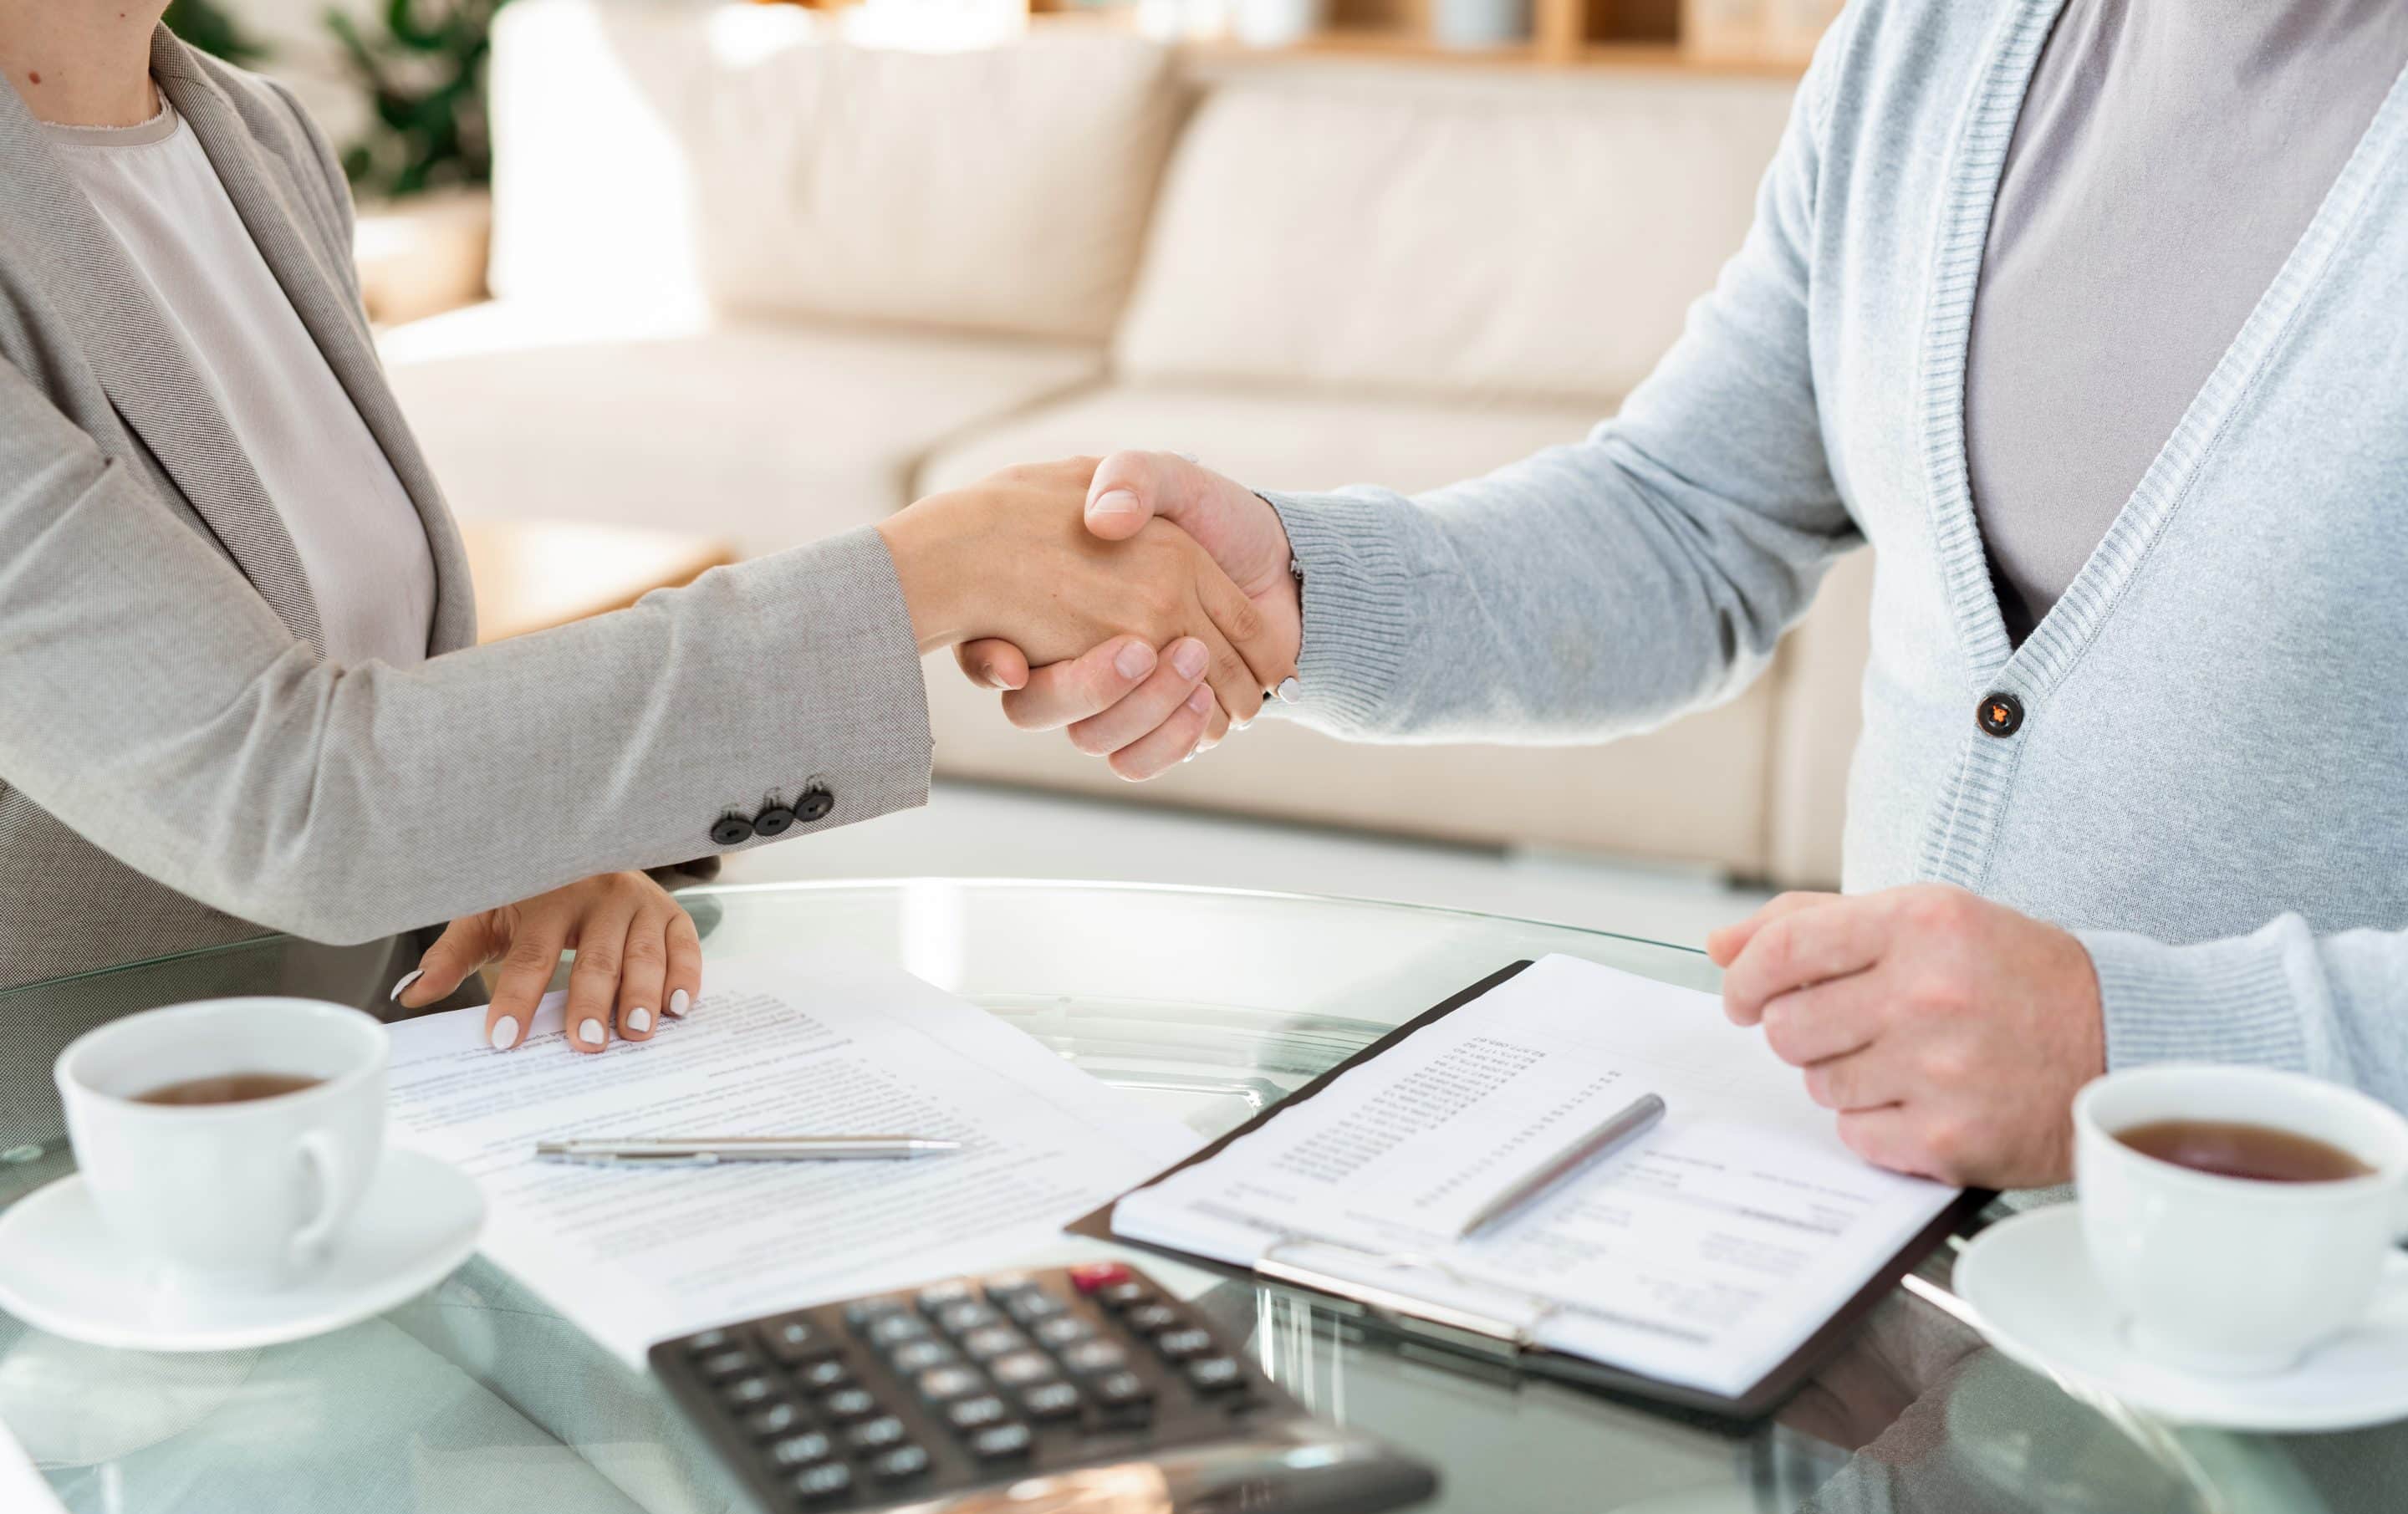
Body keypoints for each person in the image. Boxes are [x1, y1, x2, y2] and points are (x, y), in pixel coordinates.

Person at [959, 0, 2408, 1190]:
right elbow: (1689, 515)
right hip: (1909, 1265)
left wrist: (2139, 1046)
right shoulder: (1931, 43)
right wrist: (1303, 588)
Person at [0, 6, 1291, 1051]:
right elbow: (289, 799)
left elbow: (383, 705)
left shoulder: (258, 142)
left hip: (355, 1125)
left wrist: (518, 853)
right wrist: (932, 573)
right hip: (73, 1201)